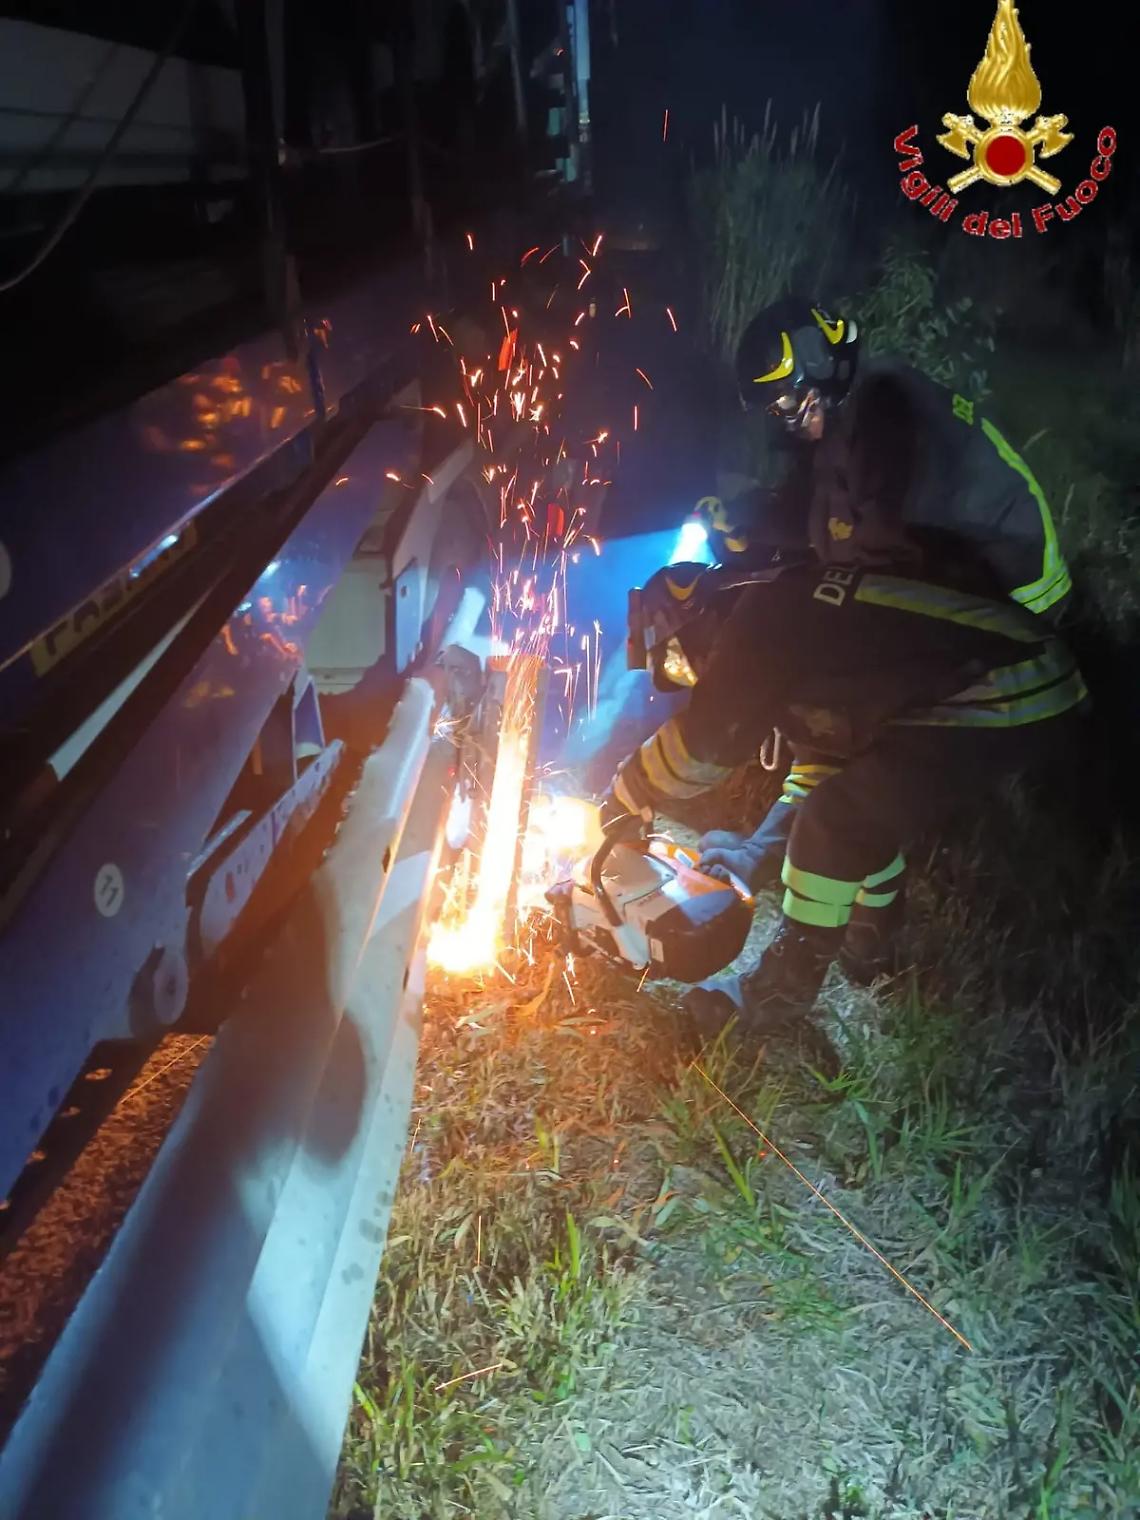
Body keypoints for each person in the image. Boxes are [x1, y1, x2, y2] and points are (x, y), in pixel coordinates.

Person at [693, 295, 1074, 938]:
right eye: (775, 410)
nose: (786, 420)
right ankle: (802, 864)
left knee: (852, 687)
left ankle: (863, 907)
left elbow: (878, 548)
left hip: (1008, 605)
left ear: (822, 368)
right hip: (956, 577)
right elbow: (826, 518)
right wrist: (748, 525)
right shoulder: (852, 414)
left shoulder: (886, 410)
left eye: (791, 401)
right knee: (834, 661)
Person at [606, 554, 1088, 1044]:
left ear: (695, 619)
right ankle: (870, 945)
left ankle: (777, 995)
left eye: (674, 662)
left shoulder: (764, 616)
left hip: (1017, 676)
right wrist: (754, 854)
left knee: (840, 820)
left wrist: (622, 798)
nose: (691, 678)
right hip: (1011, 668)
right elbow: (817, 766)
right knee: (855, 812)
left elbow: (706, 742)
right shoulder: (792, 618)